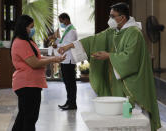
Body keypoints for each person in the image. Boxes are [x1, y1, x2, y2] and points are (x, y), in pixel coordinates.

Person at [58, 3, 161, 131]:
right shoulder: (114, 30)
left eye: (113, 16)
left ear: (122, 18)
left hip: (132, 82)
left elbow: (131, 58)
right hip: (118, 81)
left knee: (134, 118)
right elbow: (94, 40)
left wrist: (109, 56)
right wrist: (68, 46)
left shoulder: (134, 33)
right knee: (120, 117)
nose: (110, 19)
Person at [11, 15, 65, 131]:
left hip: (31, 83)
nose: (33, 29)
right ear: (23, 27)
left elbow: (37, 57)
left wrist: (53, 57)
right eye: (31, 27)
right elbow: (34, 63)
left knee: (23, 116)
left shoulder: (28, 41)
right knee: (30, 117)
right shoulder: (21, 43)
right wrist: (52, 60)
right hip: (27, 84)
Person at [49, 13, 78, 110]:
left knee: (70, 83)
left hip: (69, 59)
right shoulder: (67, 29)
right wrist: (56, 42)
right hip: (65, 59)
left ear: (66, 20)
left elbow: (68, 45)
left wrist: (58, 45)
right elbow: (63, 42)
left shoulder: (72, 30)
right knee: (67, 82)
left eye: (61, 21)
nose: (61, 23)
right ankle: (69, 101)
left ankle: (72, 103)